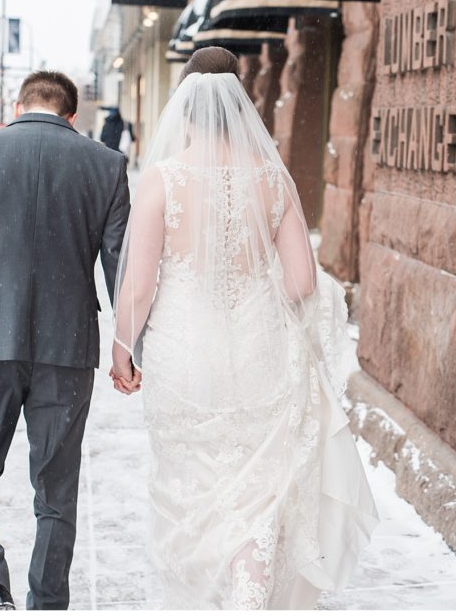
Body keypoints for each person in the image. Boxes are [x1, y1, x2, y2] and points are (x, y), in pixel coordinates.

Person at [110, 47, 379, 609]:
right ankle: (248, 600)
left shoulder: (162, 180)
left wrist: (121, 349)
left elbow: (138, 287)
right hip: (260, 351)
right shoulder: (272, 179)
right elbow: (302, 280)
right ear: (242, 105)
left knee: (191, 488)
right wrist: (254, 297)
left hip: (185, 354)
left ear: (185, 109)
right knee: (257, 491)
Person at [0, 71, 130, 610]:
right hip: (68, 345)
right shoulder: (105, 165)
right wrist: (128, 343)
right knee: (56, 490)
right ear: (72, 115)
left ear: (18, 106)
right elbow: (120, 269)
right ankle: (47, 603)